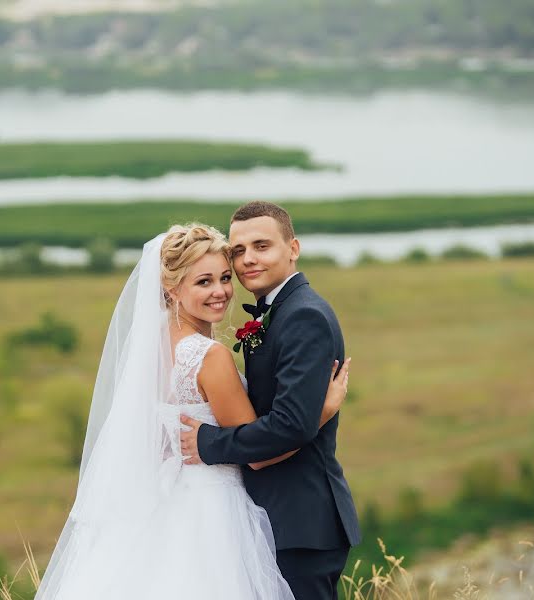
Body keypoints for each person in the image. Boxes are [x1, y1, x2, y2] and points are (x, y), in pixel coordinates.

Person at [32, 223, 350, 599]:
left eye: (224, 278)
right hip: (212, 512)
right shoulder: (208, 356)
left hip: (164, 504)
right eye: (203, 282)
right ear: (172, 288)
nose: (220, 292)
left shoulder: (152, 347)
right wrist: (321, 413)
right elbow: (262, 458)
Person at [180, 201, 363, 600]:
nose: (247, 260)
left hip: (301, 522)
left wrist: (208, 443)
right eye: (239, 251)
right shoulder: (278, 312)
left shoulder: (303, 315)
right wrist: (323, 410)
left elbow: (290, 425)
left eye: (262, 246)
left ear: (292, 248)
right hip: (274, 518)